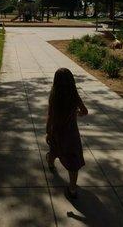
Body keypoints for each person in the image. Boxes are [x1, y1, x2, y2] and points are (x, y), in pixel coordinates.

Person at [46, 68, 88, 199]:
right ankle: (73, 189)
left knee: (54, 150)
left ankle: (51, 163)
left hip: (57, 132)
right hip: (71, 134)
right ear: (72, 81)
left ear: (55, 81)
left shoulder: (54, 96)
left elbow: (50, 116)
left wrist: (48, 131)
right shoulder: (74, 95)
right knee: (73, 160)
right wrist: (77, 113)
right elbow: (85, 111)